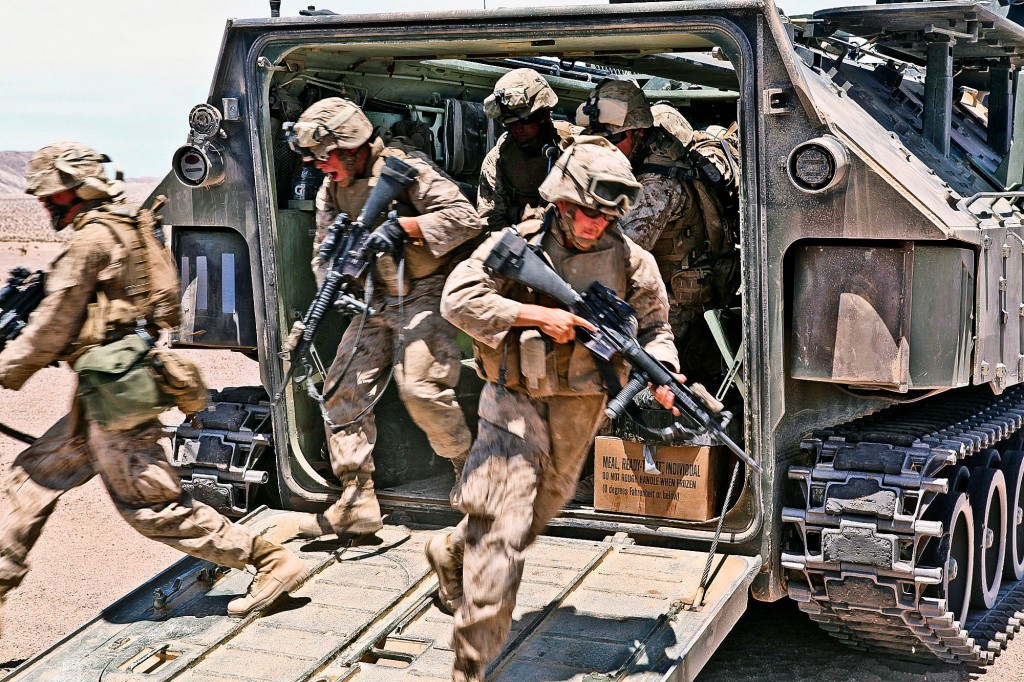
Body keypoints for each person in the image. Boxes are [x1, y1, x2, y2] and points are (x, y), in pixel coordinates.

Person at [0, 143, 306, 629]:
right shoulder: (128, 226)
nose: (44, 204)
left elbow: (51, 328)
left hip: (116, 398)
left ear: (76, 189)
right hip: (106, 390)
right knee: (29, 481)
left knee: (153, 508)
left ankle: (269, 560)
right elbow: (159, 306)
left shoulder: (92, 242)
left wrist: (7, 366)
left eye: (52, 195)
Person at [431, 136, 681, 681]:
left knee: (535, 516)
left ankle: (454, 548)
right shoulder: (515, 245)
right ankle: (470, 667)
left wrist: (661, 375)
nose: (597, 223)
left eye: (608, 214)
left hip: (580, 409)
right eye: (588, 211)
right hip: (511, 401)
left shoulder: (633, 261)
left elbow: (657, 329)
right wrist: (532, 316)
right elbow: (457, 299)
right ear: (562, 201)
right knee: (501, 528)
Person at [282, 98, 481, 538]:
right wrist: (336, 280)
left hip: (424, 293)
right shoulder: (332, 188)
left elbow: (465, 218)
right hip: (373, 299)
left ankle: (471, 478)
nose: (318, 166)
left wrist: (404, 228)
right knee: (341, 390)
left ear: (350, 146)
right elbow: (323, 250)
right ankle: (356, 498)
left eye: (323, 156)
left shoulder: (407, 169)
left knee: (421, 389)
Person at [577, 79, 740, 386]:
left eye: (615, 138)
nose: (605, 148)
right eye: (597, 137)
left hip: (676, 302)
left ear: (639, 132)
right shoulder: (645, 152)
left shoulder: (658, 184)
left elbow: (616, 254)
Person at [477, 68, 563, 231]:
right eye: (509, 123)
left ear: (544, 114)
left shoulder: (576, 147)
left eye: (524, 120)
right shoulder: (498, 159)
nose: (517, 129)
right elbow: (490, 220)